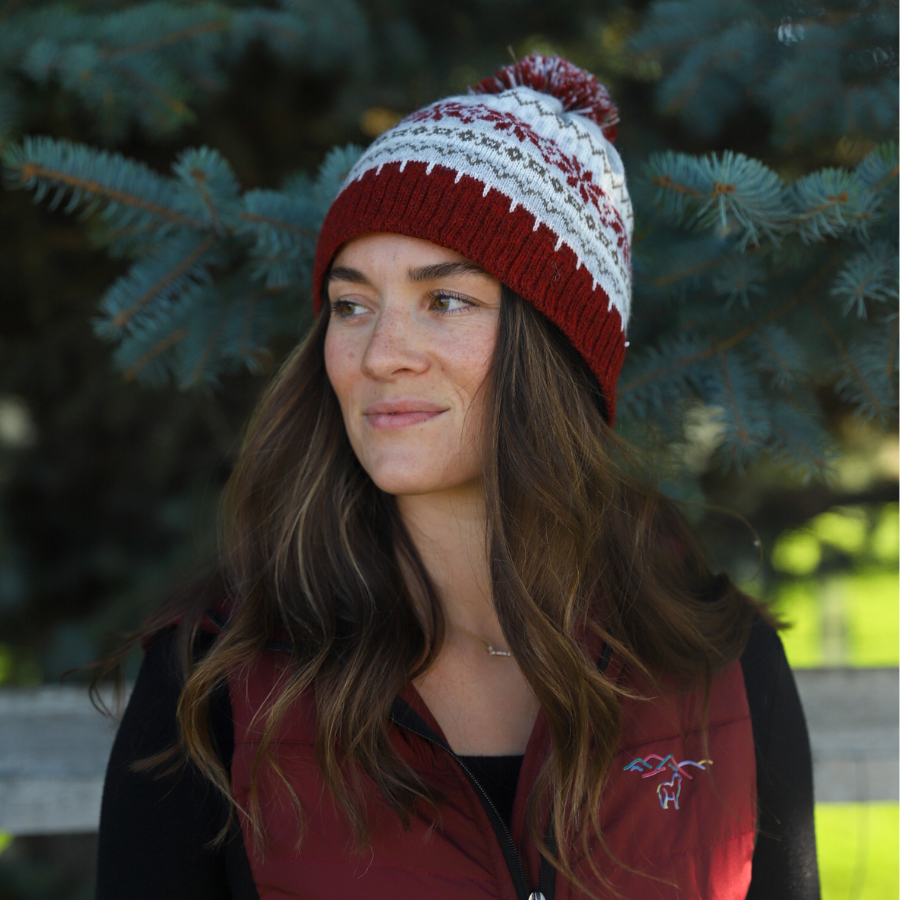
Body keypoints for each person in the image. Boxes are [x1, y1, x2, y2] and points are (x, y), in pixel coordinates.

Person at [95, 55, 820, 900]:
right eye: (352, 303)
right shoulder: (218, 674)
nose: (380, 354)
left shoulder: (722, 668)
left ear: (557, 347)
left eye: (446, 301)